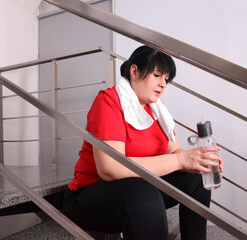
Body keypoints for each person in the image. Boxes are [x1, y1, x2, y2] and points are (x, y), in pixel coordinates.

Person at [62, 45, 223, 240]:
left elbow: (175, 152)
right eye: (157, 75)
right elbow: (109, 168)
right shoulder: (109, 101)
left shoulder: (156, 110)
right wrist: (181, 161)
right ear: (135, 71)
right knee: (142, 191)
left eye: (166, 79)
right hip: (89, 195)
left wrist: (199, 161)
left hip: (138, 190)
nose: (163, 84)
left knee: (196, 179)